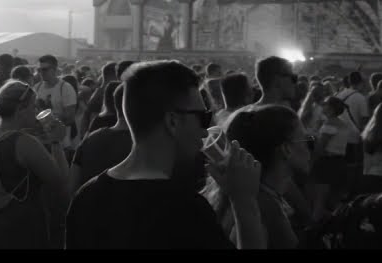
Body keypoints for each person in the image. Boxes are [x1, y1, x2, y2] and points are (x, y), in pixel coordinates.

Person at [65, 60, 266, 249]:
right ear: (172, 121)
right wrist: (244, 201)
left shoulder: (86, 196)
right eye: (202, 118)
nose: (205, 131)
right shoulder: (185, 210)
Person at [0, 79, 69, 248]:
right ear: (21, 109)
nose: (36, 112)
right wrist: (56, 142)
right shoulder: (24, 143)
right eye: (33, 106)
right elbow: (61, 182)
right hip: (22, 231)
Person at [202, 104, 312, 248]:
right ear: (287, 149)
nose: (311, 147)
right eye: (306, 140)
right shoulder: (261, 207)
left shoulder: (263, 194)